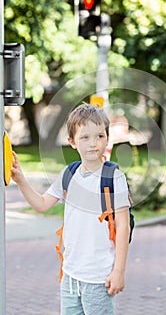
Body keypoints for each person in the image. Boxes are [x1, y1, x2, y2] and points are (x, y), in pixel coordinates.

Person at [11, 103, 130, 315]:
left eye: (100, 136)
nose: (93, 143)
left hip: (99, 279)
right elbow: (41, 204)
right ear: (72, 142)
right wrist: (20, 179)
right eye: (85, 137)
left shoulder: (114, 178)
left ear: (107, 138)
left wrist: (118, 271)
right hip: (70, 277)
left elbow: (123, 227)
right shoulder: (69, 174)